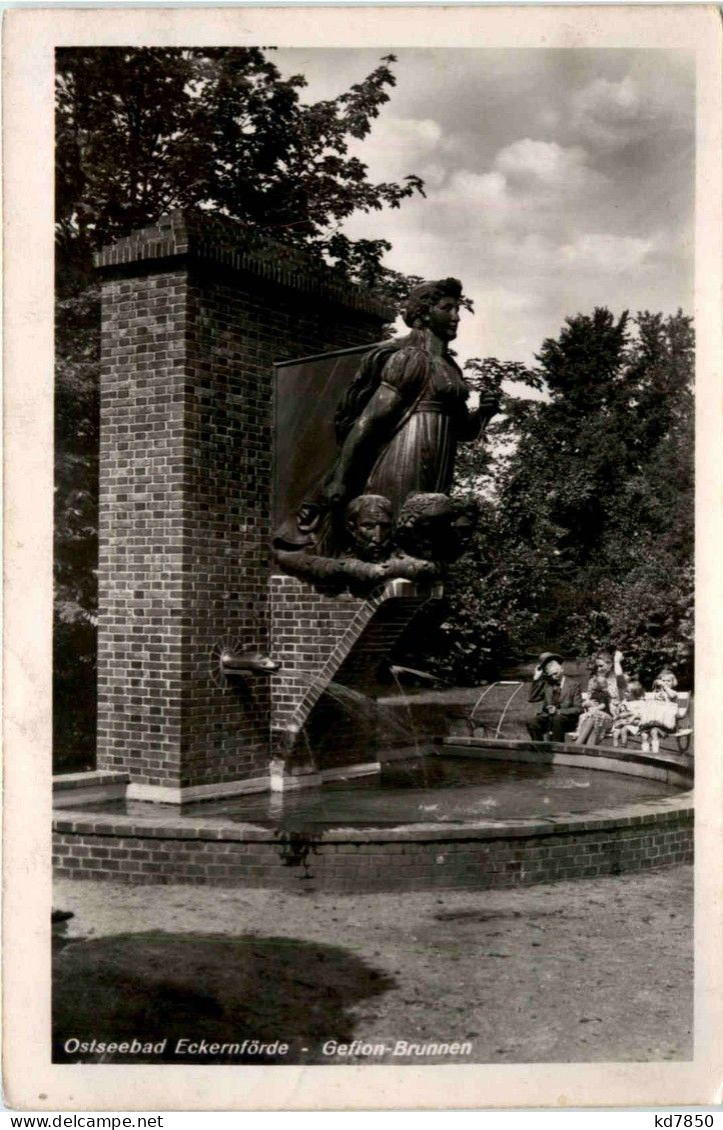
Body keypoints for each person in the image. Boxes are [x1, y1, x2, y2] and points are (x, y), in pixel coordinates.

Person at [275, 277, 499, 556]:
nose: (456, 317)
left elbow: (464, 431)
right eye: (447, 308)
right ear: (424, 314)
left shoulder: (450, 367)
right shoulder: (409, 360)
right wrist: (341, 477)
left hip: (439, 461)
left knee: (424, 535)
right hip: (406, 454)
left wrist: (485, 413)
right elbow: (369, 420)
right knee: (396, 534)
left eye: (457, 310)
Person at [527, 651, 583, 743]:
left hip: (566, 719)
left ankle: (556, 750)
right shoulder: (547, 684)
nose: (554, 677)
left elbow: (578, 708)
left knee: (557, 720)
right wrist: (536, 678)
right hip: (548, 717)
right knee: (532, 723)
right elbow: (532, 698)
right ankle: (539, 749)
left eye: (556, 673)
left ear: (562, 669)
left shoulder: (573, 685)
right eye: (551, 675)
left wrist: (558, 711)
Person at [571, 673, 613, 745]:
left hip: (605, 716)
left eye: (595, 683)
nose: (592, 685)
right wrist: (587, 703)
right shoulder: (594, 694)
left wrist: (595, 708)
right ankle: (581, 737)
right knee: (585, 717)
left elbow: (603, 705)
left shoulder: (604, 694)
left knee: (593, 716)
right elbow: (585, 704)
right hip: (594, 716)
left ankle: (578, 743)